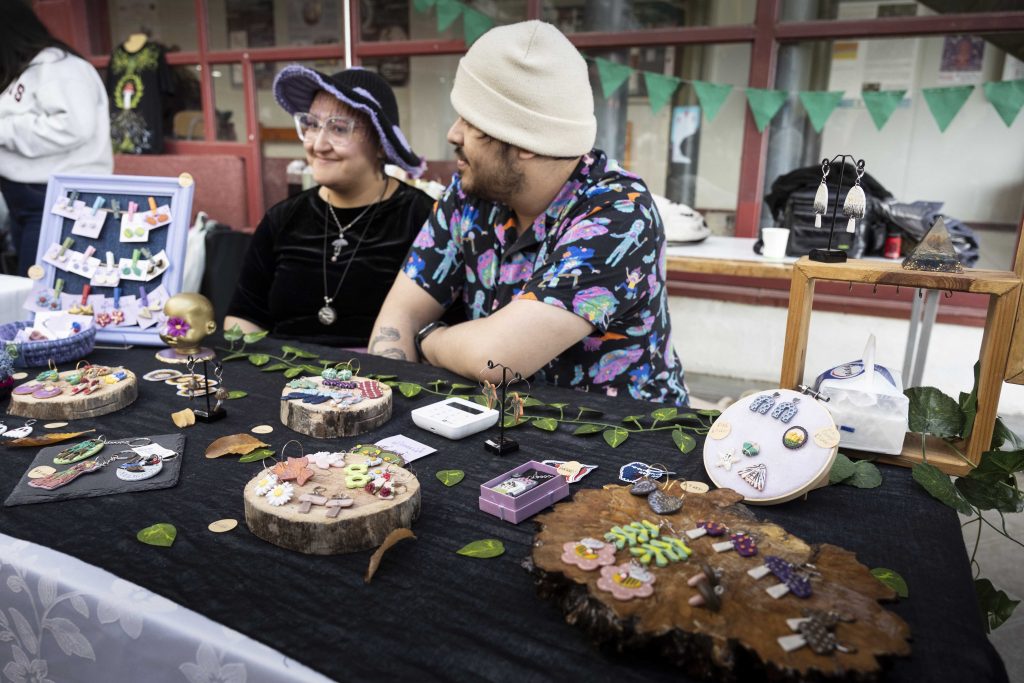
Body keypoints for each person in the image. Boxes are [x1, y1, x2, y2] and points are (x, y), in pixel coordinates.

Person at [369, 20, 688, 406]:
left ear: (525, 142)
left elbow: (496, 359)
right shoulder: (470, 193)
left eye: (472, 121)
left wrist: (428, 339)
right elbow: (398, 315)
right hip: (499, 421)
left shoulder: (619, 214)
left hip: (626, 431)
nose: (453, 134)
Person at [226, 66, 432, 346]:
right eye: (312, 125)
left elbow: (441, 326)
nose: (318, 145)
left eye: (338, 128)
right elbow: (244, 316)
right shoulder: (282, 219)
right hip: (281, 369)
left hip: (381, 371)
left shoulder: (422, 219)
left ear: (382, 144)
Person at [0, 2, 113, 277]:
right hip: (27, 197)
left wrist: (6, 129)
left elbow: (73, 126)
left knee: (41, 287)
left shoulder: (60, 68)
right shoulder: (24, 70)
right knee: (30, 284)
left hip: (55, 197)